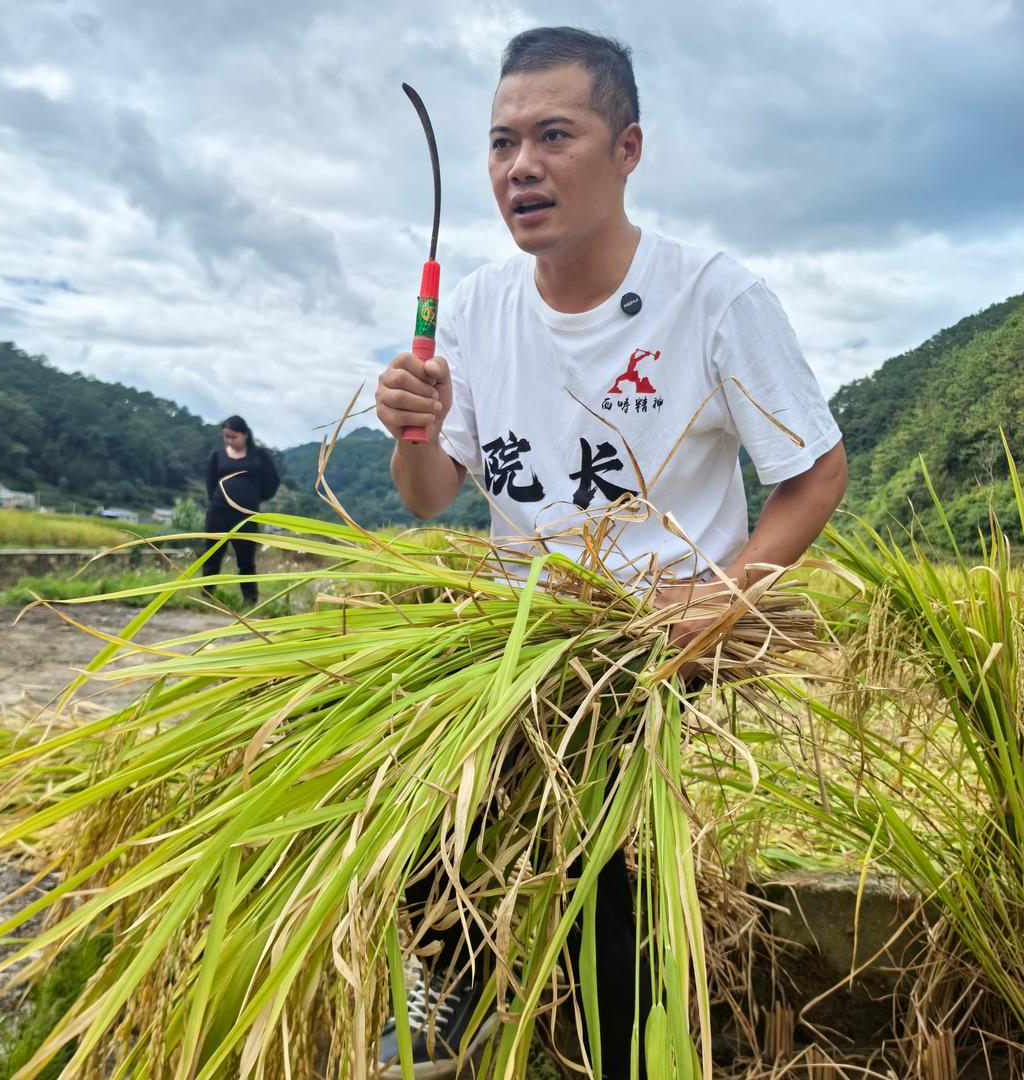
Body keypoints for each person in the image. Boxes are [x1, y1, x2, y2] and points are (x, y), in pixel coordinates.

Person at [374, 25, 848, 1079]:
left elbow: (814, 471)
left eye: (554, 135)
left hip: (657, 646)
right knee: (421, 794)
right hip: (513, 641)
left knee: (608, 868)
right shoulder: (477, 309)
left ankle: (630, 1042)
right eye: (501, 143)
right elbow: (428, 497)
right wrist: (410, 425)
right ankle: (451, 982)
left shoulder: (714, 298)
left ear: (628, 148)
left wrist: (723, 597)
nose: (519, 167)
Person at [202, 415, 280, 605]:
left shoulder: (259, 456)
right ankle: (207, 597)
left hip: (246, 516)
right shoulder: (217, 456)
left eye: (233, 436)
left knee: (246, 560)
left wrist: (254, 499)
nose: (229, 440)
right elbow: (210, 484)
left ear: (244, 434)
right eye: (226, 437)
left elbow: (272, 482)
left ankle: (250, 601)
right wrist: (218, 500)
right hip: (218, 514)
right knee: (212, 556)